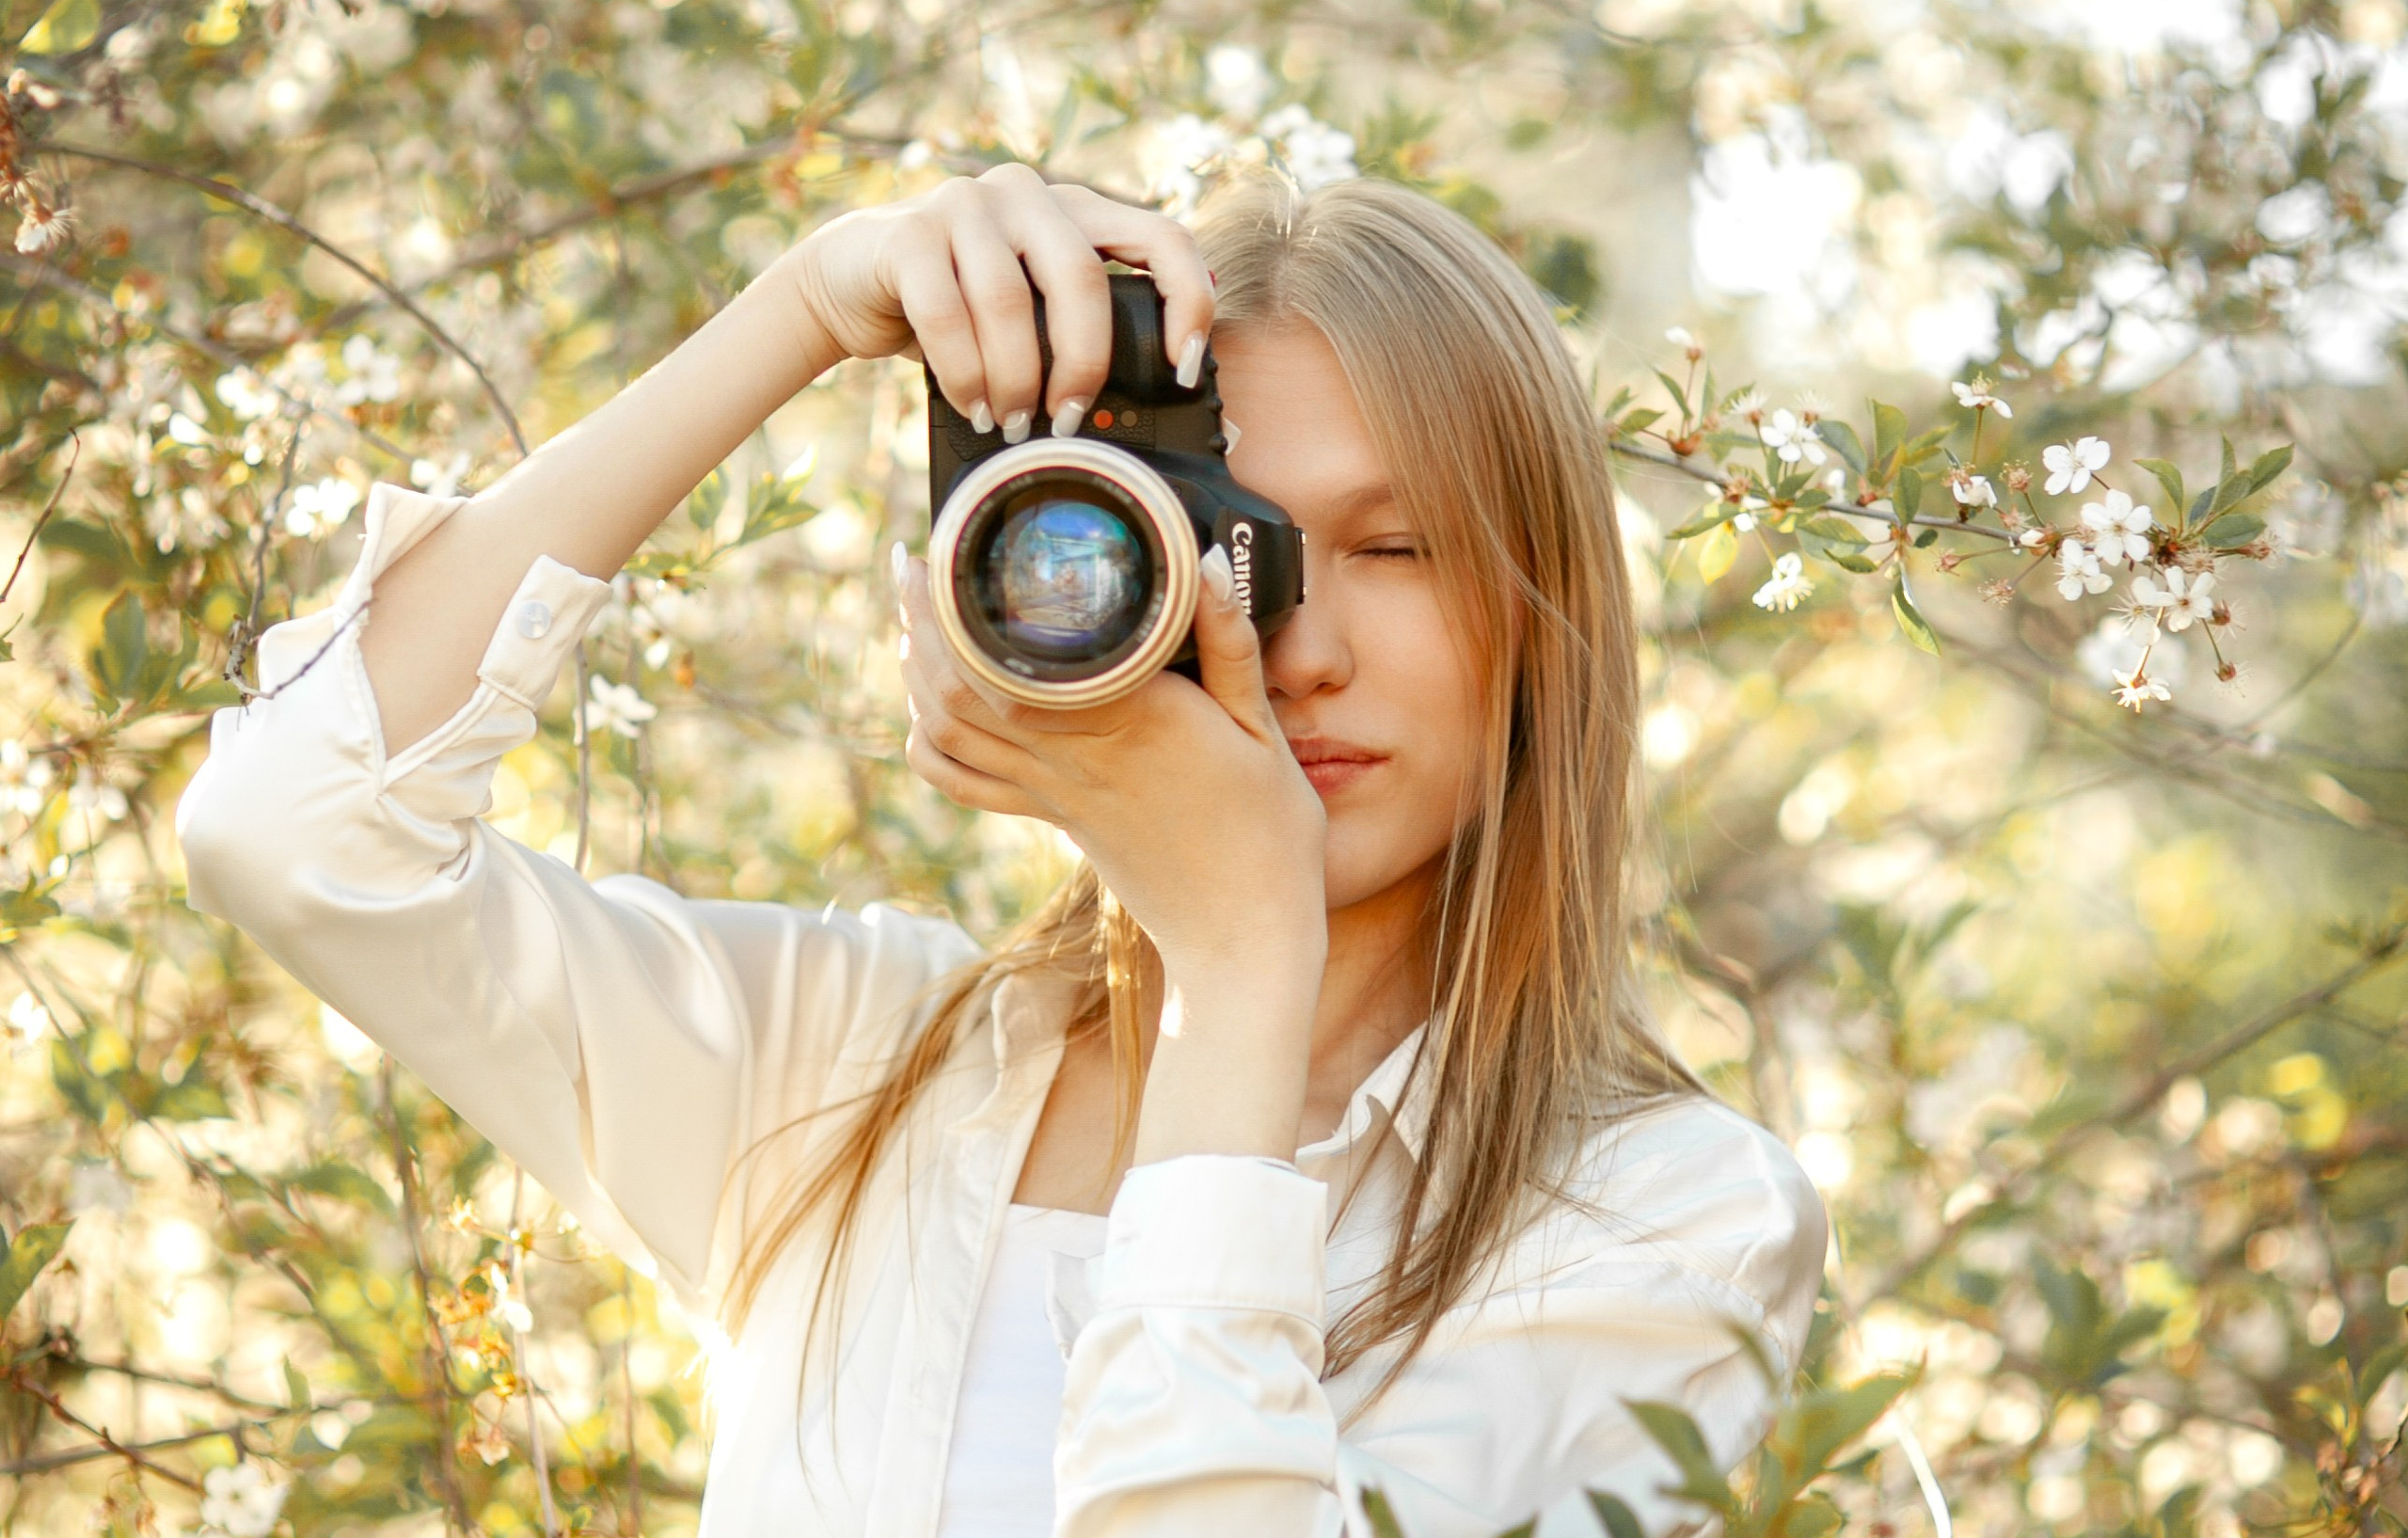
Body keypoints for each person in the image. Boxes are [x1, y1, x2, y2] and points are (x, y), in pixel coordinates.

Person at [177, 165, 1827, 1538]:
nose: (1302, 644)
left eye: (1395, 546)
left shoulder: (1662, 1227)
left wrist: (1242, 969)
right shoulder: (845, 1075)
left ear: (1547, 623)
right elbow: (298, 827)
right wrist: (807, 308)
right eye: (1223, 544)